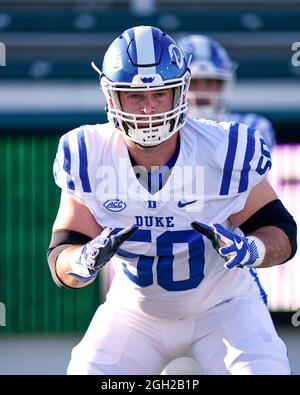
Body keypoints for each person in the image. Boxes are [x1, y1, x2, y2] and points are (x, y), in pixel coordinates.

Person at [47, 25, 297, 375]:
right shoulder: (86, 152)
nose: (148, 109)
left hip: (224, 307)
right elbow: (62, 251)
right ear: (110, 96)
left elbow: (281, 230)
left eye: (160, 94)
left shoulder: (225, 149)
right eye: (135, 96)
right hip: (134, 312)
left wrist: (252, 250)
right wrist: (81, 262)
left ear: (180, 92)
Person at [178, 34, 276, 151]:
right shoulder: (161, 132)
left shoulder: (252, 127)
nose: (202, 91)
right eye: (193, 82)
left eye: (209, 82)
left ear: (223, 85)